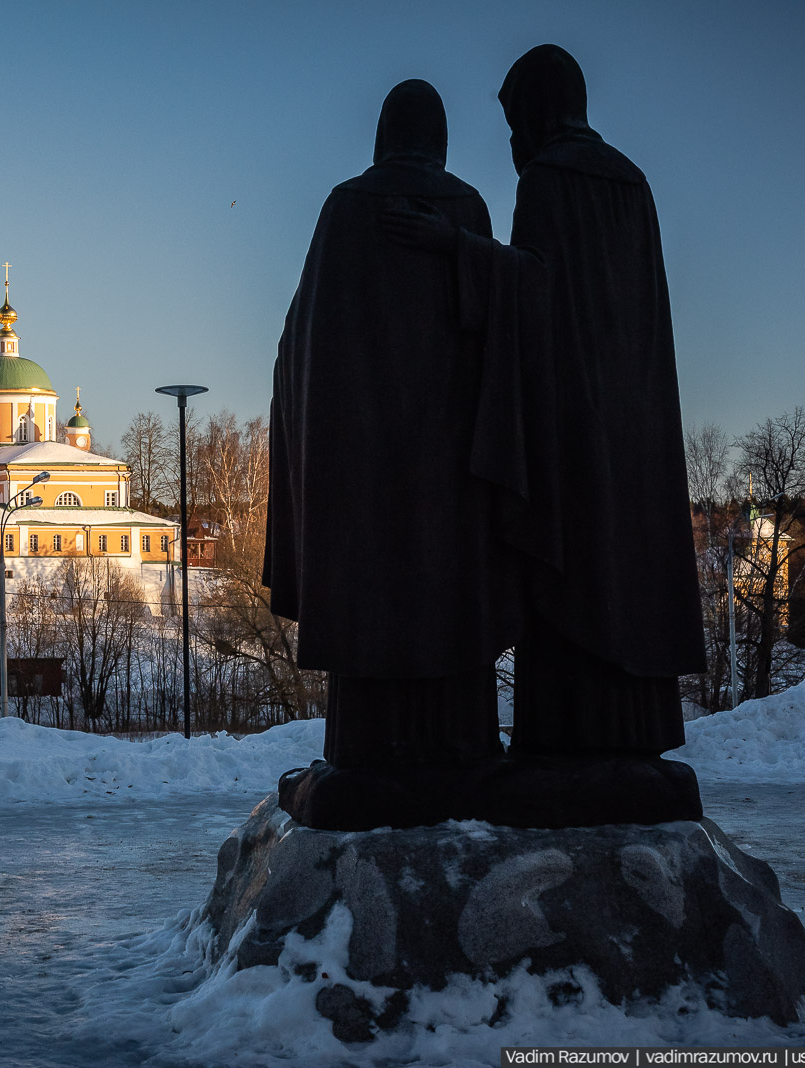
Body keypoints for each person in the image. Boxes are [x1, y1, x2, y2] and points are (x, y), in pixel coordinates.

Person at [382, 45, 706, 826]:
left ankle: (566, 740)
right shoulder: (631, 181)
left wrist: (454, 248)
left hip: (571, 417)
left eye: (511, 120)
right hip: (633, 416)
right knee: (624, 563)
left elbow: (536, 288)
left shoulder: (551, 178)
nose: (512, 140)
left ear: (535, 107)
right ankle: (633, 736)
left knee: (573, 566)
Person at [266, 79, 520, 831]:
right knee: (451, 598)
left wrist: (319, 435)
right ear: (439, 139)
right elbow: (501, 324)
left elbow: (301, 345)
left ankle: (367, 753)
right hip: (452, 465)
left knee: (372, 599)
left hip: (363, 468)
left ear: (382, 134)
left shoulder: (348, 207)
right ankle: (460, 746)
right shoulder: (466, 209)